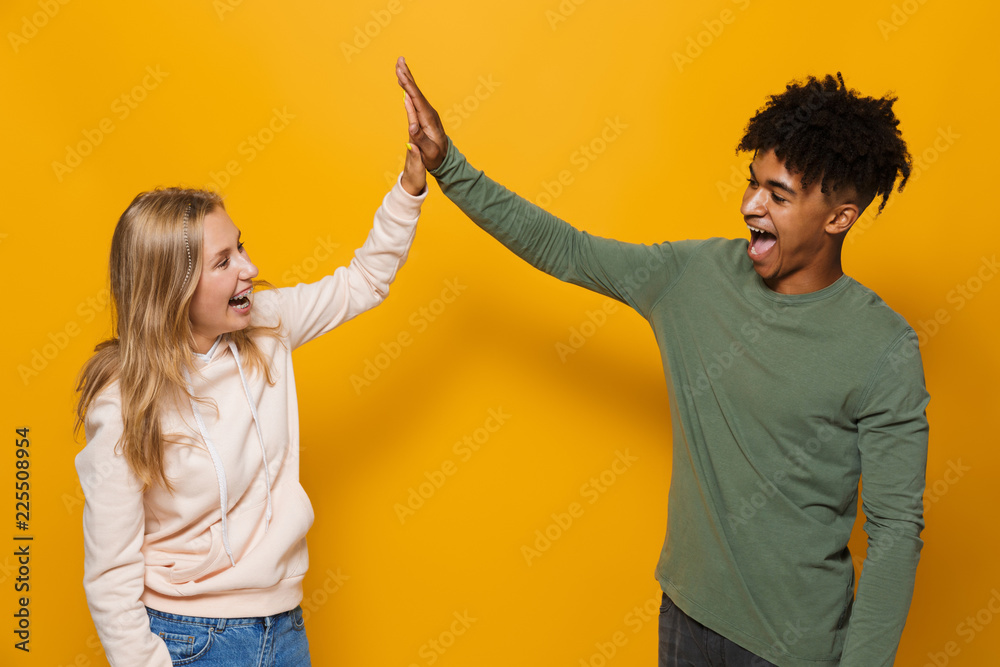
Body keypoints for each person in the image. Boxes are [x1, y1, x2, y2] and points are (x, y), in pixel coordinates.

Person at [396, 57, 928, 667]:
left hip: (794, 648)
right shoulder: (692, 276)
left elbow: (893, 534)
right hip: (686, 617)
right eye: (752, 182)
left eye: (778, 195)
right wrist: (448, 165)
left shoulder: (883, 348)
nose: (752, 205)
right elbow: (566, 249)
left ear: (840, 218)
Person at [74, 115, 427, 665]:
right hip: (191, 640)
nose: (250, 268)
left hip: (284, 628)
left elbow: (363, 281)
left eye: (240, 248)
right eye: (224, 261)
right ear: (173, 286)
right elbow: (111, 573)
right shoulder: (122, 401)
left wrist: (410, 188)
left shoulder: (266, 327)